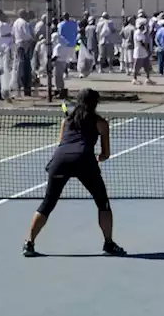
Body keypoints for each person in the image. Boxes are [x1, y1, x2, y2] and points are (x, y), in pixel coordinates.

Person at [23, 89, 124, 258]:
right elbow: (105, 154)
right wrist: (99, 157)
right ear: (95, 103)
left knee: (47, 204)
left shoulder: (66, 121)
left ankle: (29, 244)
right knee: (102, 203)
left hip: (60, 160)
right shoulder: (101, 123)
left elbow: (61, 145)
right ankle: (109, 243)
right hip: (84, 160)